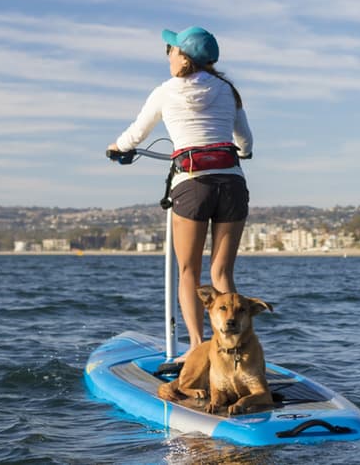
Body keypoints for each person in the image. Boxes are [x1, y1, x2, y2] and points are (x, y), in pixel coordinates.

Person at [107, 26, 252, 361]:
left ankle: (200, 349)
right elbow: (245, 141)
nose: (168, 56)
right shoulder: (228, 91)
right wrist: (242, 151)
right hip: (231, 183)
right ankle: (233, 348)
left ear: (184, 57)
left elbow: (134, 136)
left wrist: (116, 148)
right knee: (222, 273)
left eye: (171, 51)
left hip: (192, 183)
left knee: (189, 271)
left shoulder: (165, 92)